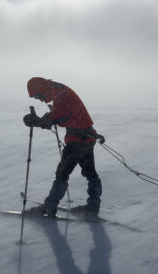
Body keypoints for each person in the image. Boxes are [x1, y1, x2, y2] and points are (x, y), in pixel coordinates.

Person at [22, 77, 105, 218]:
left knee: (62, 174)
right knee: (91, 174)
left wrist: (38, 121)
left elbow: (61, 116)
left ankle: (49, 207)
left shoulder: (60, 94)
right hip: (87, 137)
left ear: (41, 89)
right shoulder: (59, 90)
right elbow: (66, 113)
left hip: (77, 141)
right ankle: (92, 208)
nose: (39, 99)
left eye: (37, 95)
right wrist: (50, 116)